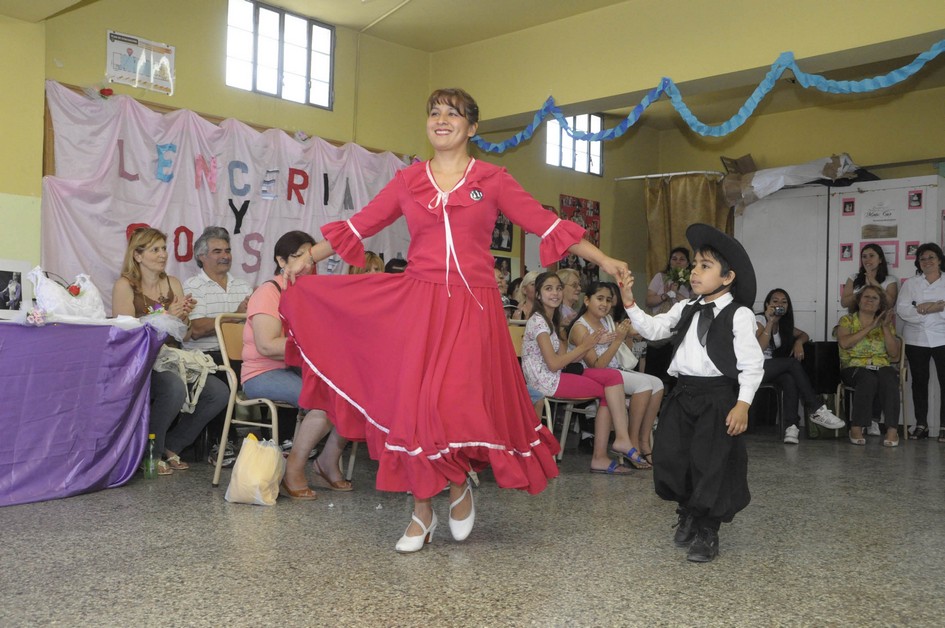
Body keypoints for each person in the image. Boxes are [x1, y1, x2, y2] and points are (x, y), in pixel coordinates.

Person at [280, 88, 628, 553]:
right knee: (419, 409)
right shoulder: (407, 180)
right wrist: (306, 259)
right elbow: (360, 225)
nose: (442, 120)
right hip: (419, 308)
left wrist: (605, 259)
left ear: (472, 128)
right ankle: (422, 512)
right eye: (435, 113)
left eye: (453, 114)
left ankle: (460, 480)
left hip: (473, 310)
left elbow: (546, 225)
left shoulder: (494, 179)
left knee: (457, 405)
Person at [618, 224, 764, 563]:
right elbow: (655, 329)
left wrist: (742, 405)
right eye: (695, 265)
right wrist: (629, 302)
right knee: (673, 457)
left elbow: (752, 364)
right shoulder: (686, 306)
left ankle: (707, 529)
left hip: (717, 397)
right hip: (683, 394)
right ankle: (688, 510)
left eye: (705, 266)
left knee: (711, 463)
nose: (695, 271)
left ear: (727, 278)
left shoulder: (739, 314)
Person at [242, 230, 351, 498]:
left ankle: (326, 461)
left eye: (311, 256)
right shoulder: (269, 291)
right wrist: (316, 345)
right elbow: (267, 345)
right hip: (262, 372)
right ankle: (293, 469)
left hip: (296, 369)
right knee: (322, 402)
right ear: (281, 261)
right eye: (298, 256)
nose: (307, 262)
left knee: (351, 394)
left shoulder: (311, 291)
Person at [112, 227, 228, 475]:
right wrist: (163, 316)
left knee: (219, 392)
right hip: (142, 362)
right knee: (173, 388)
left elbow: (184, 335)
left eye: (164, 248)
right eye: (155, 249)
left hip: (173, 357)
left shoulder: (172, 283)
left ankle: (174, 444)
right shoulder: (125, 285)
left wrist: (182, 318)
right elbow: (126, 334)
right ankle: (149, 451)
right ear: (138, 255)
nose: (163, 254)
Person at [522, 272, 642, 474]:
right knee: (609, 388)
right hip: (544, 380)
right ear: (539, 295)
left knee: (612, 379)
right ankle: (606, 452)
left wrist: (592, 344)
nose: (555, 293)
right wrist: (584, 346)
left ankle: (614, 444)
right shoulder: (538, 322)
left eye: (559, 288)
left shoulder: (551, 320)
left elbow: (564, 357)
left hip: (554, 375)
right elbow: (553, 364)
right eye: (548, 288)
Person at [569, 280, 664, 466]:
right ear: (587, 301)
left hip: (616, 371)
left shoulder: (607, 320)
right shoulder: (581, 328)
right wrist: (617, 340)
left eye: (608, 300)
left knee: (658, 384)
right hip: (596, 374)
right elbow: (597, 366)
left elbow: (635, 333)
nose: (604, 304)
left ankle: (644, 441)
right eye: (599, 299)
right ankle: (632, 442)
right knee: (643, 385)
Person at [183, 226, 252, 466]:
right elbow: (198, 329)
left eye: (228, 250)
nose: (225, 255)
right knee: (225, 371)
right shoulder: (192, 287)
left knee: (277, 367)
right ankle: (221, 443)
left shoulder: (243, 287)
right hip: (205, 356)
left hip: (243, 354)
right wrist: (234, 316)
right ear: (201, 257)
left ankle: (280, 439)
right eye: (217, 251)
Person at [755, 288, 844, 444]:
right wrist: (770, 321)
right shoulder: (760, 320)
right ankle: (816, 409)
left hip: (769, 368)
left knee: (790, 379)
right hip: (752, 367)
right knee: (791, 364)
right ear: (767, 304)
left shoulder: (783, 325)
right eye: (775, 301)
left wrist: (798, 343)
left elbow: (804, 335)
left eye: (784, 302)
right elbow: (758, 349)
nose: (779, 305)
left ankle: (792, 428)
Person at [840, 285, 902, 446]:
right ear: (858, 301)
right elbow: (845, 343)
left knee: (889, 377)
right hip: (854, 366)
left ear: (880, 304)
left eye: (874, 298)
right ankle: (856, 427)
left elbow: (895, 355)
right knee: (867, 379)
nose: (869, 300)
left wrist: (885, 327)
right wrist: (870, 327)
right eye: (866, 296)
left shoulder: (886, 324)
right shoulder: (847, 320)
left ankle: (892, 430)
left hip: (881, 366)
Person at [896, 242, 945, 442]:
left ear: (939, 260)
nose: (927, 262)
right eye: (922, 259)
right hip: (916, 338)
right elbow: (902, 310)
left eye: (931, 257)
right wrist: (928, 309)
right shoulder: (911, 283)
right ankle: (921, 424)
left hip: (942, 337)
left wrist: (932, 309)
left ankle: (944, 426)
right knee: (919, 383)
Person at [841, 243, 898, 311]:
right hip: (855, 320)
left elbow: (890, 304)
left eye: (871, 256)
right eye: (864, 256)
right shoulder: (853, 278)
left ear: (880, 259)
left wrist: (873, 282)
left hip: (880, 320)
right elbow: (844, 303)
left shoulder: (890, 280)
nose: (867, 259)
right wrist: (863, 291)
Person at [646, 247, 691, 315]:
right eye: (674, 259)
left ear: (687, 264)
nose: (678, 262)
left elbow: (692, 307)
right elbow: (648, 301)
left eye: (682, 259)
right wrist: (665, 295)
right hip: (659, 320)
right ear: (670, 262)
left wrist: (676, 294)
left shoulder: (692, 282)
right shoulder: (660, 276)